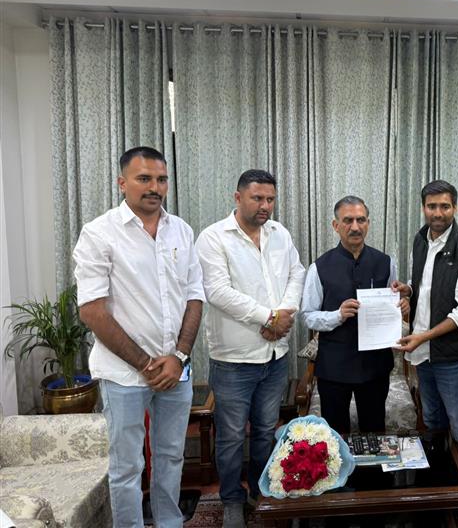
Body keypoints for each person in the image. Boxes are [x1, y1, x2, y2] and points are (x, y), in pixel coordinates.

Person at [73, 146, 204, 528]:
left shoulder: (181, 230)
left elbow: (195, 296)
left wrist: (179, 356)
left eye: (161, 179)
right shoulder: (99, 233)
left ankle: (169, 523)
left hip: (176, 371)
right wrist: (147, 364)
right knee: (127, 466)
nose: (154, 187)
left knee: (171, 457)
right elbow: (92, 311)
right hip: (124, 375)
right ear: (122, 182)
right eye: (144, 178)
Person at [195, 170, 305, 527]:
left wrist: (284, 313)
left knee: (264, 430)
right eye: (258, 198)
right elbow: (218, 292)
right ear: (238, 197)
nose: (265, 206)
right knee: (230, 437)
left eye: (270, 199)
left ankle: (260, 490)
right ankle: (231, 499)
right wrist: (268, 318)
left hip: (275, 357)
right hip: (233, 360)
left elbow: (297, 273)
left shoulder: (279, 233)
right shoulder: (214, 238)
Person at [393, 180, 458, 488]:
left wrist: (423, 336)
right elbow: (424, 286)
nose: (438, 212)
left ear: (455, 207)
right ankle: (442, 492)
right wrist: (408, 291)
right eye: (432, 206)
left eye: (445, 206)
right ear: (423, 208)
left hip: (452, 359)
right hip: (423, 356)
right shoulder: (421, 239)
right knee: (433, 426)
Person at [300, 196, 407, 435]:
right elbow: (307, 316)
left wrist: (401, 307)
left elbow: (393, 303)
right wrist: (337, 315)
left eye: (361, 220)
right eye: (348, 220)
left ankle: (374, 463)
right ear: (335, 225)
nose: (355, 227)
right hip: (334, 368)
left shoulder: (386, 262)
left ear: (368, 223)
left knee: (375, 432)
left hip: (375, 366)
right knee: (335, 436)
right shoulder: (319, 267)